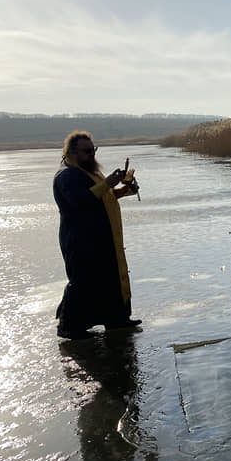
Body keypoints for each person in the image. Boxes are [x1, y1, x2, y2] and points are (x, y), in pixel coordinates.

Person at [53, 131, 142, 339]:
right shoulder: (67, 175)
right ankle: (69, 326)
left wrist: (126, 188)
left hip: (102, 237)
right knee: (83, 281)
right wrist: (108, 183)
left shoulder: (88, 172)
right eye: (86, 151)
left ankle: (117, 320)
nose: (91, 155)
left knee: (110, 277)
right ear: (71, 153)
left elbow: (104, 196)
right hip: (80, 240)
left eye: (93, 150)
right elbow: (81, 201)